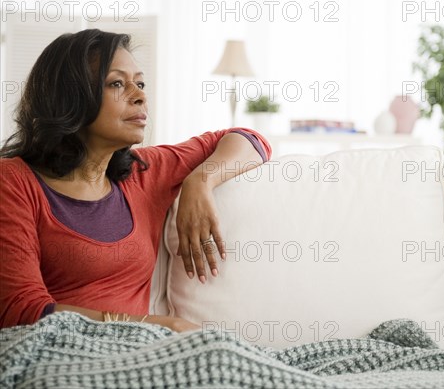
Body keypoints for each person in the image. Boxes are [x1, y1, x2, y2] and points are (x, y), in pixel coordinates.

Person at [0, 29, 271, 331]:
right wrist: (160, 326)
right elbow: (20, 311)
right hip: (59, 354)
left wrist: (201, 182)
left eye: (140, 83)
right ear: (70, 97)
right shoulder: (13, 182)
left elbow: (250, 139)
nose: (140, 95)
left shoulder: (143, 172)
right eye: (117, 83)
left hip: (143, 354)